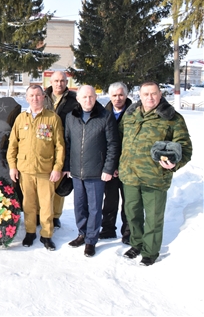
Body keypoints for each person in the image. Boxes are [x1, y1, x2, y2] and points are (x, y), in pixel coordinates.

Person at [119, 81, 192, 266]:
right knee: (132, 214)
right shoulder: (130, 115)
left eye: (153, 94)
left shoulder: (172, 118)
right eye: (146, 94)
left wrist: (174, 163)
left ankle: (150, 252)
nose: (150, 98)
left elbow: (185, 148)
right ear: (139, 96)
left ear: (160, 94)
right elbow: (119, 140)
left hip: (155, 178)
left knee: (153, 217)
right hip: (130, 176)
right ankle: (136, 244)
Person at [64, 85, 120, 257]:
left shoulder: (105, 117)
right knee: (79, 205)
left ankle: (91, 240)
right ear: (78, 99)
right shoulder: (71, 117)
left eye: (91, 97)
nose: (88, 100)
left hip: (97, 172)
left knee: (95, 208)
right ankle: (82, 233)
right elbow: (67, 143)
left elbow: (113, 145)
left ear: (96, 98)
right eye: (84, 97)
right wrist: (67, 167)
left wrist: (108, 168)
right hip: (76, 171)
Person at [7, 85, 65, 251]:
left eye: (38, 95)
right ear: (27, 98)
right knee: (29, 204)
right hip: (25, 170)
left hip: (45, 170)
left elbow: (60, 146)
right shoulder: (20, 119)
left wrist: (57, 168)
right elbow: (13, 145)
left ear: (43, 97)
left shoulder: (52, 118)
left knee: (47, 205)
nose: (35, 98)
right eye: (31, 96)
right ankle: (30, 232)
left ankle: (47, 235)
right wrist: (12, 166)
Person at [44, 71, 78, 228]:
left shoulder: (74, 101)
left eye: (63, 81)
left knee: (58, 182)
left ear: (67, 82)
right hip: (43, 145)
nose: (59, 84)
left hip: (63, 144)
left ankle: (56, 215)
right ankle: (42, 213)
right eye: (56, 80)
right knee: (43, 183)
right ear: (50, 81)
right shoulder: (43, 97)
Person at [100, 82, 132, 243]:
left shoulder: (134, 114)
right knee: (110, 200)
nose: (118, 98)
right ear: (109, 96)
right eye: (114, 95)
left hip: (129, 167)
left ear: (126, 95)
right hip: (109, 167)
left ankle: (128, 232)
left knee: (129, 202)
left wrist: (121, 166)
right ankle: (107, 229)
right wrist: (110, 167)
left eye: (121, 95)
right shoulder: (103, 114)